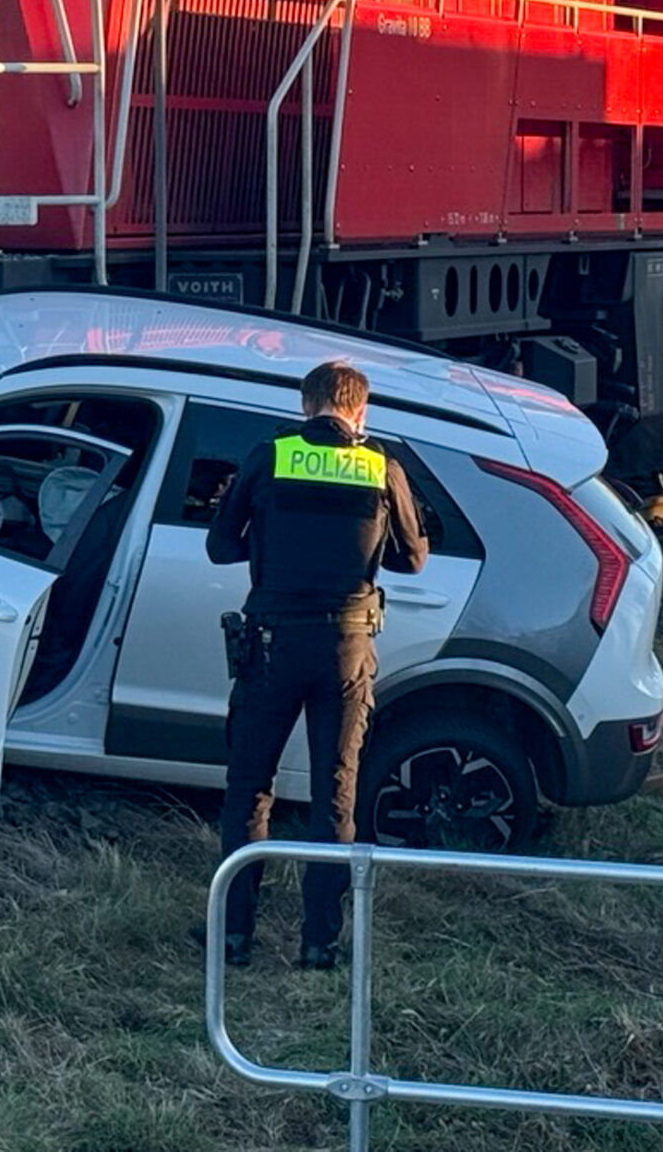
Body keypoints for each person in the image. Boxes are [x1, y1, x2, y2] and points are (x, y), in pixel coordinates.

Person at [204, 360, 429, 969]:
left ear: (305, 406)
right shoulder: (383, 467)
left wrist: (272, 541)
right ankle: (319, 945)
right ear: (360, 412)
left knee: (250, 787)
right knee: (335, 795)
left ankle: (232, 937)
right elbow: (414, 561)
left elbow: (219, 545)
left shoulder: (269, 456)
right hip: (346, 650)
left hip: (272, 643)